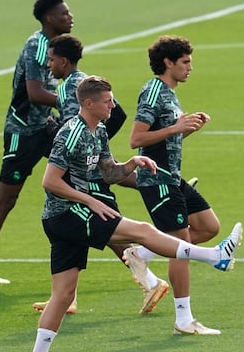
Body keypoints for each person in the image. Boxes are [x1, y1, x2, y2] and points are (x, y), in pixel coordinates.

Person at [23, 76, 242, 352]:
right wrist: (90, 201)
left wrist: (132, 163)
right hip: (69, 214)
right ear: (88, 103)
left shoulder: (97, 130)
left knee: (63, 295)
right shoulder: (70, 133)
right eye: (107, 101)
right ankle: (213, 256)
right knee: (140, 229)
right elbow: (50, 181)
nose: (113, 105)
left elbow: (108, 171)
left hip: (72, 215)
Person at [33, 34, 168, 315]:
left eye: (52, 59)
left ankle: (151, 280)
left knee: (108, 230)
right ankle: (65, 297)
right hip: (85, 169)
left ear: (63, 60)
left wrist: (90, 145)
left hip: (85, 176)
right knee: (97, 233)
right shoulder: (77, 84)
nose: (48, 65)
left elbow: (106, 118)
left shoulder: (75, 88)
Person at [129, 35, 236, 335]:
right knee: (181, 245)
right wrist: (176, 127)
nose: (191, 67)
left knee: (209, 225)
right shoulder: (153, 92)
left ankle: (142, 253)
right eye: (185, 62)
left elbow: (164, 136)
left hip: (171, 177)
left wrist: (186, 128)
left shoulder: (169, 92)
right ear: (168, 63)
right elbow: (136, 139)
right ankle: (183, 320)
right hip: (157, 179)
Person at [0, 0, 74, 285]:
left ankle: (159, 184)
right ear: (50, 19)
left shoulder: (52, 46)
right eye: (65, 13)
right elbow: (35, 93)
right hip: (23, 132)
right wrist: (70, 103)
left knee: (86, 174)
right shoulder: (37, 46)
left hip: (46, 126)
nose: (71, 17)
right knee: (7, 199)